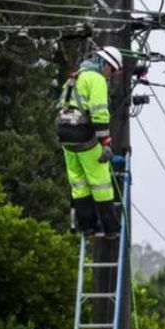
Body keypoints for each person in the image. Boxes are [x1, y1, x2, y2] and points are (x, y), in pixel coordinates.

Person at [56, 46, 123, 237]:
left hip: (64, 135)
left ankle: (89, 227)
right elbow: (99, 113)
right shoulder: (96, 80)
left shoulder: (74, 78)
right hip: (83, 135)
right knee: (100, 181)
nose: (111, 75)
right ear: (104, 63)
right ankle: (111, 228)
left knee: (78, 182)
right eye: (112, 70)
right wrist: (106, 143)